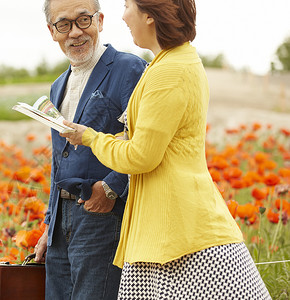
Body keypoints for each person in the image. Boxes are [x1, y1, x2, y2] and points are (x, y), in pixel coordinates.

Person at [61, 0, 271, 299]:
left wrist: (92, 138)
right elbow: (158, 141)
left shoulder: (168, 71)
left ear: (149, 15)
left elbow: (141, 156)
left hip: (178, 235)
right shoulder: (174, 61)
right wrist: (122, 140)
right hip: (173, 229)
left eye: (127, 6)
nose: (123, 16)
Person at [33, 0, 147, 299]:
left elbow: (143, 141)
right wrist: (49, 226)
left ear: (100, 21)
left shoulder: (128, 68)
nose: (75, 33)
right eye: (63, 24)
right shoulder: (58, 85)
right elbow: (59, 161)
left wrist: (111, 188)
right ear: (51, 31)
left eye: (83, 20)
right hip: (61, 220)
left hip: (103, 215)